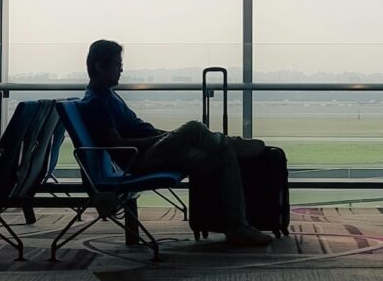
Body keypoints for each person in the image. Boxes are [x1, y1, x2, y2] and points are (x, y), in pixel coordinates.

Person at [79, 39, 274, 246]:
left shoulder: (108, 95)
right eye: (117, 64)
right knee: (194, 127)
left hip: (149, 151)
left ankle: (238, 227)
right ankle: (233, 143)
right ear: (100, 66)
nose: (121, 69)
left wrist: (168, 137)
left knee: (223, 156)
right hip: (138, 160)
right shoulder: (96, 103)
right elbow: (118, 145)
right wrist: (164, 138)